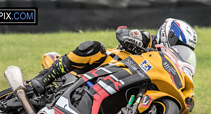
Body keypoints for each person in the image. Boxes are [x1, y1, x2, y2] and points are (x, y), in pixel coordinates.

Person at [31, 18, 197, 94]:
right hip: (109, 65)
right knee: (94, 47)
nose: (179, 51)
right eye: (179, 46)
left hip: (129, 80)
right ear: (171, 36)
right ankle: (44, 78)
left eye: (185, 50)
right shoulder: (148, 39)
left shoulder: (167, 64)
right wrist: (129, 39)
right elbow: (123, 32)